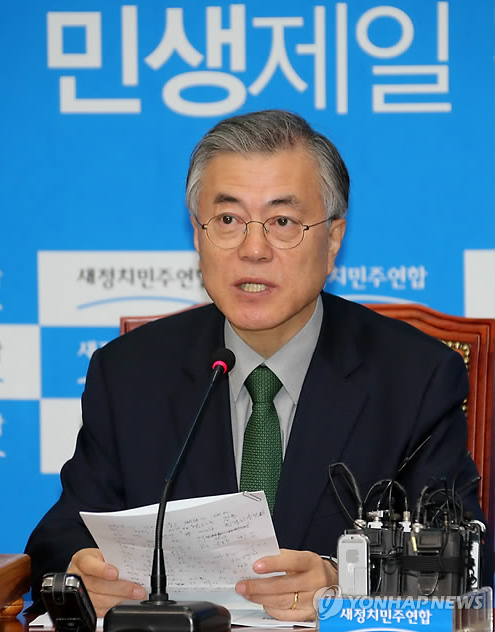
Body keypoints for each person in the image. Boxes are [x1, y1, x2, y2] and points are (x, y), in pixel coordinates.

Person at [25, 110, 489, 620]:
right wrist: (84, 573)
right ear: (198, 235)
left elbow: (467, 561)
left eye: (282, 222)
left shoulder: (416, 377)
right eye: (227, 220)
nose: (253, 249)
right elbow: (58, 538)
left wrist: (345, 581)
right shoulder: (129, 374)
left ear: (333, 239)